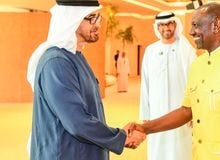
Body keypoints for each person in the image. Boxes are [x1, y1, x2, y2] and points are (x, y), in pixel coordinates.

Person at [131, 2, 220, 160]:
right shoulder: (197, 65)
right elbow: (186, 111)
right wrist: (144, 128)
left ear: (216, 25)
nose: (190, 31)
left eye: (196, 25)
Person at [26, 0, 145, 159]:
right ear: (71, 20)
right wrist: (120, 137)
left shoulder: (75, 57)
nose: (98, 24)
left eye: (98, 18)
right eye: (91, 18)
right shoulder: (57, 62)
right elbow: (76, 121)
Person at [139, 11, 196, 160]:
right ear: (157, 28)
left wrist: (193, 111)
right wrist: (145, 114)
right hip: (156, 112)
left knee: (180, 150)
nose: (166, 28)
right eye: (162, 25)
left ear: (175, 24)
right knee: (158, 148)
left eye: (169, 23)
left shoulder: (186, 50)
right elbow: (145, 83)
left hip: (180, 111)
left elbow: (194, 81)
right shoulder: (150, 51)